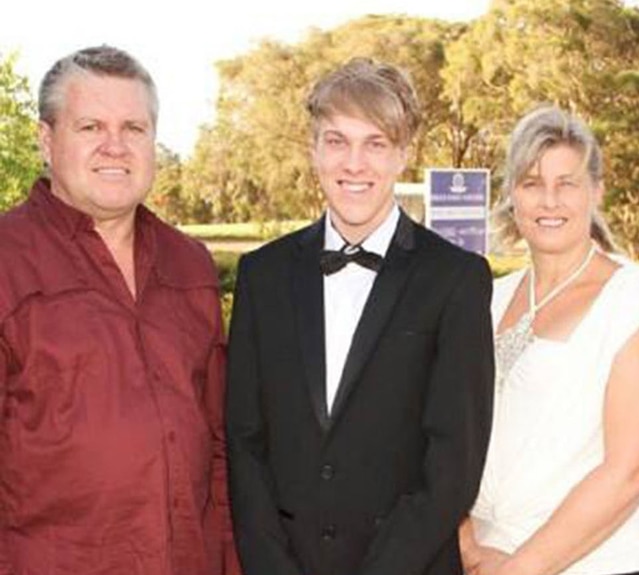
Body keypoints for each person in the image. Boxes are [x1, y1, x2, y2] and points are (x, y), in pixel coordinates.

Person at [225, 57, 495, 575]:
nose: (355, 164)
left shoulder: (456, 278)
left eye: (375, 144)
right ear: (313, 149)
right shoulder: (262, 274)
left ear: (403, 155)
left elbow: (454, 462)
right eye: (337, 141)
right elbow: (244, 440)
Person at [0, 46, 237, 574]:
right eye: (90, 127)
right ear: (46, 139)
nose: (115, 146)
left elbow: (220, 446)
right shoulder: (8, 264)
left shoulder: (190, 265)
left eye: (133, 128)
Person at [460, 105, 639, 575]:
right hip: (476, 560)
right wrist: (466, 545)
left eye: (567, 183)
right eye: (532, 183)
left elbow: (630, 473)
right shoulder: (489, 299)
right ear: (511, 196)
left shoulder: (636, 307)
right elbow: (441, 436)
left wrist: (519, 569)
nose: (549, 201)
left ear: (596, 191)